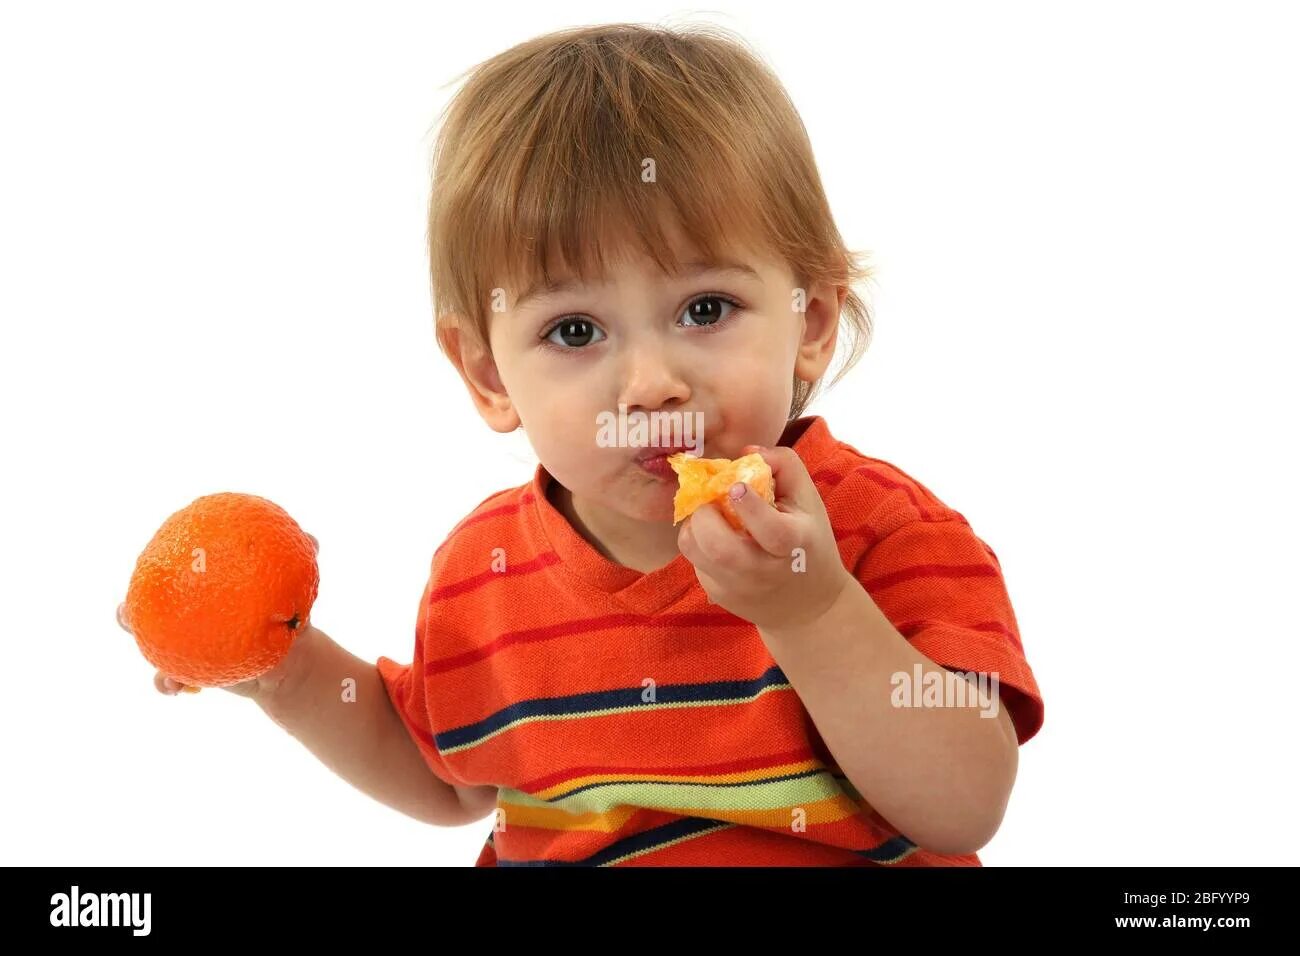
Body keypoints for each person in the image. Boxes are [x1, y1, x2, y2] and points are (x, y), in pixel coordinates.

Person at [121, 22, 1044, 866]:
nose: (651, 385)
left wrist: (813, 613)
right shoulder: (482, 572)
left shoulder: (879, 529)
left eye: (705, 309)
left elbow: (964, 806)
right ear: (487, 374)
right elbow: (449, 778)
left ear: (812, 321)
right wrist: (283, 672)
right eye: (574, 331)